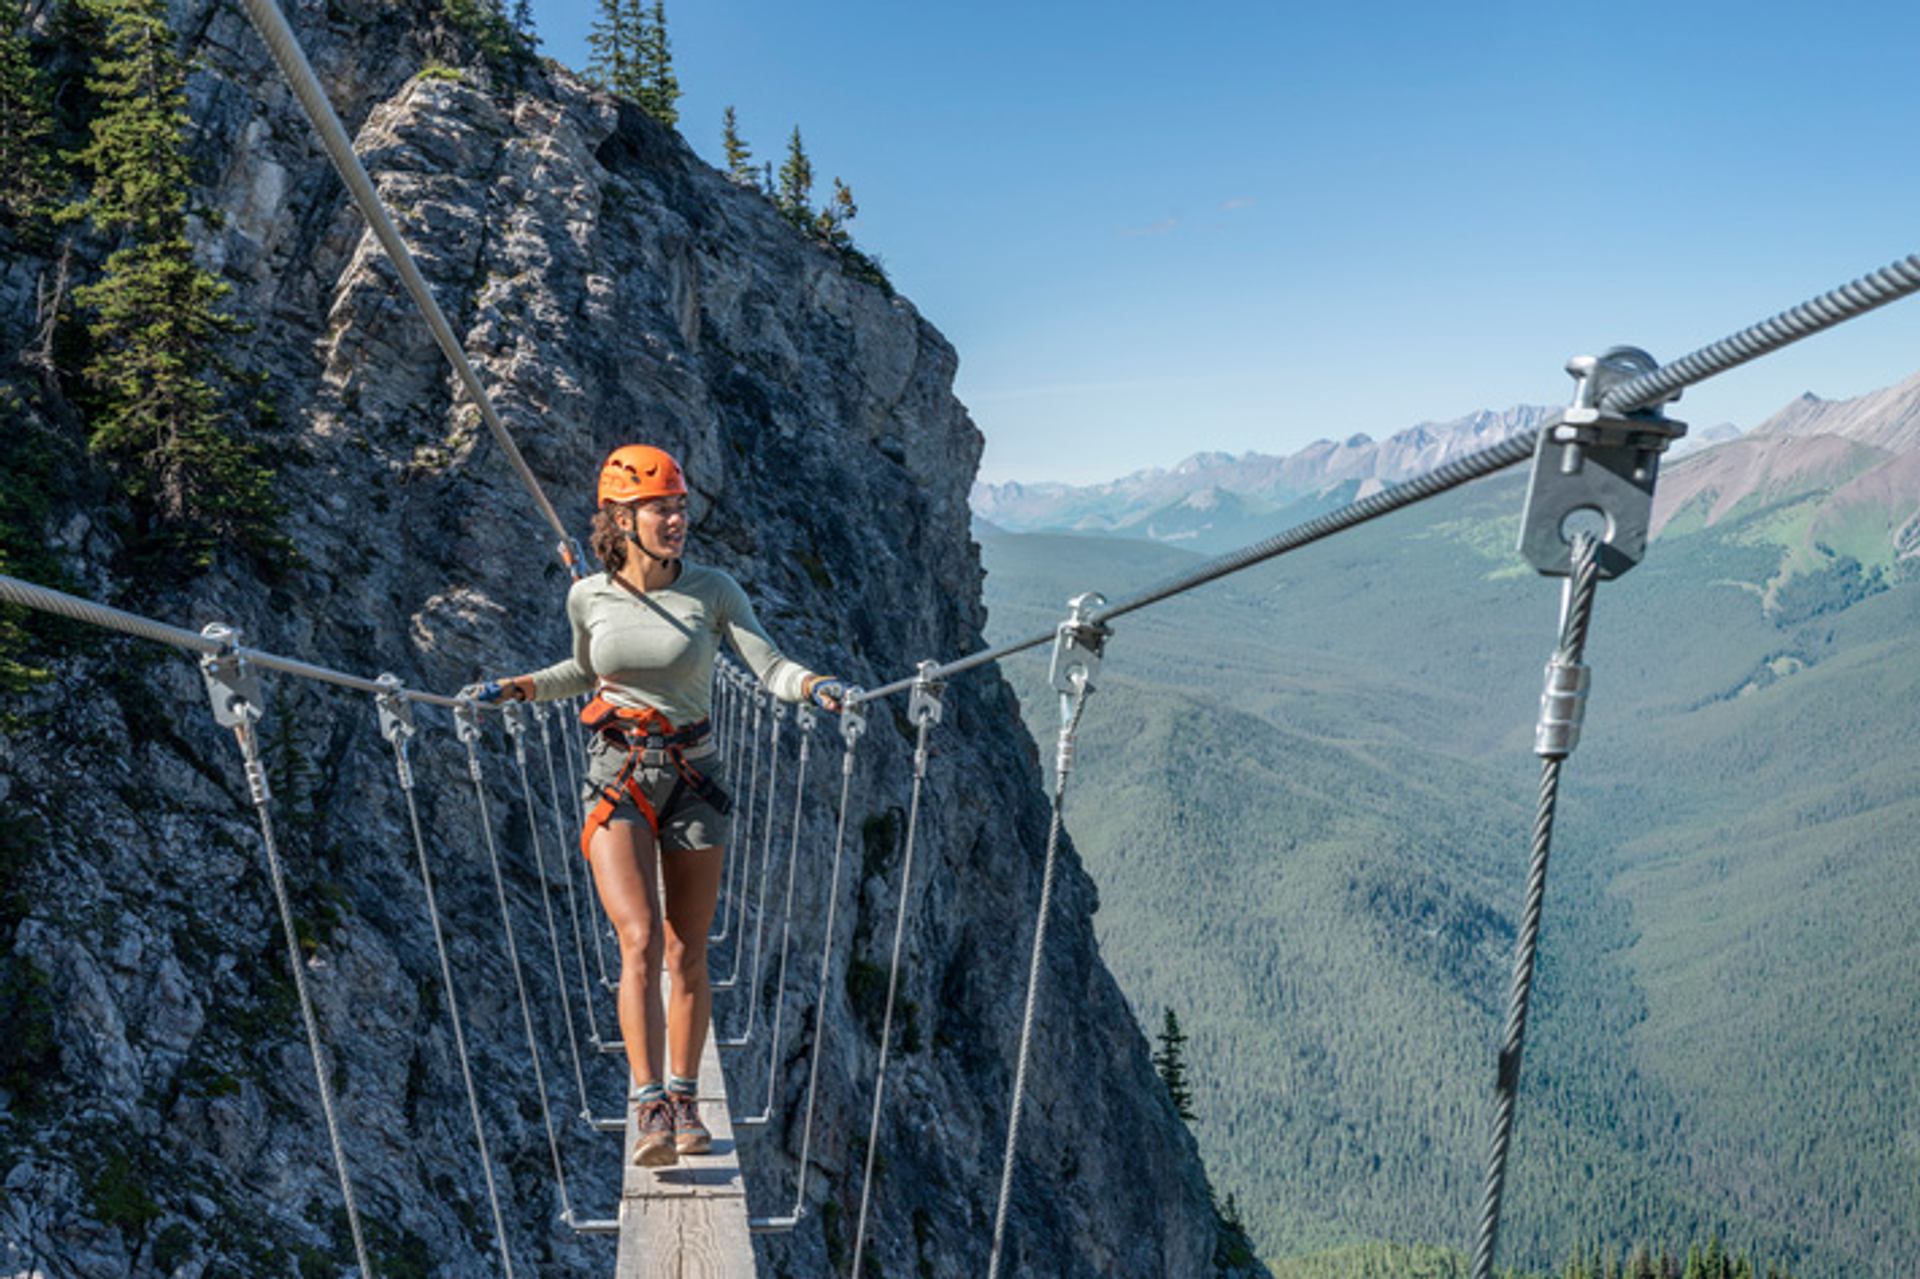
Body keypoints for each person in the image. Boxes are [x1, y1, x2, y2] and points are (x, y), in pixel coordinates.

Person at [466, 444, 843, 1167]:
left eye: (679, 505)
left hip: (695, 775)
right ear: (621, 517)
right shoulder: (589, 596)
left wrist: (817, 686)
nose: (676, 518)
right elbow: (582, 670)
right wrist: (516, 688)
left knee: (687, 949)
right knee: (638, 938)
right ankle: (647, 1106)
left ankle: (685, 1097)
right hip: (618, 774)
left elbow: (768, 666)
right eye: (659, 507)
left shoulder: (713, 589)